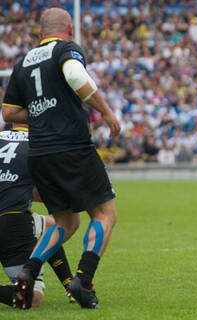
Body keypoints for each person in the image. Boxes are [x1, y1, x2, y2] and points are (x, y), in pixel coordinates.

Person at [2, 7, 121, 309]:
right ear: (69, 28)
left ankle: (29, 271)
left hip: (40, 152)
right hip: (71, 145)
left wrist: (41, 114)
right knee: (104, 214)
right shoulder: (66, 49)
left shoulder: (23, 62)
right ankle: (83, 279)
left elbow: (9, 112)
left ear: (39, 33)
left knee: (66, 221)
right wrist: (106, 112)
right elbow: (73, 74)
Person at [0, 124, 74, 309]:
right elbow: (47, 191)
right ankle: (73, 286)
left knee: (48, 226)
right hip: (11, 223)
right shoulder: (39, 145)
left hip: (10, 219)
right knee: (32, 298)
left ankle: (70, 285)